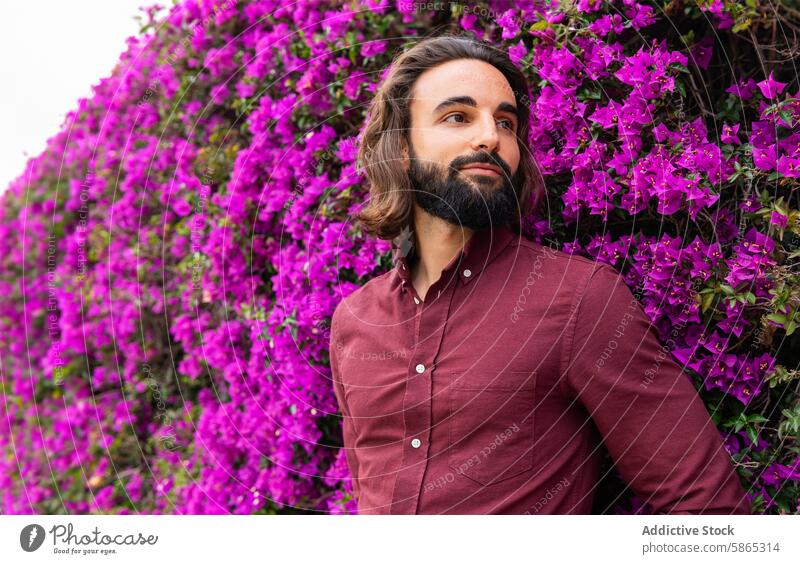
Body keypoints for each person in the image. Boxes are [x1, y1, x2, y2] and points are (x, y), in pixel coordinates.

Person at [328, 33, 751, 515]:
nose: (490, 136)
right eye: (457, 117)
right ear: (401, 149)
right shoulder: (355, 320)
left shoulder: (577, 300)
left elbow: (707, 506)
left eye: (505, 123)